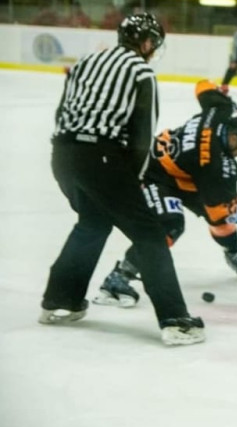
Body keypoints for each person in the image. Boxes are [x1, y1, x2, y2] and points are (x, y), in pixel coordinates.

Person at [41, 13, 204, 346]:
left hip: (63, 154)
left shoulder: (87, 60)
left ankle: (60, 301)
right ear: (146, 42)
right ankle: (175, 319)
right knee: (149, 233)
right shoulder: (141, 71)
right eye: (153, 43)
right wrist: (135, 178)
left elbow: (62, 112)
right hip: (103, 158)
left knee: (92, 223)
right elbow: (142, 137)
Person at [96, 80, 237, 307]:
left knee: (219, 217)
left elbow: (203, 87)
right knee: (170, 226)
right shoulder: (217, 167)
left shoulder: (223, 112)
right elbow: (220, 213)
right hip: (156, 173)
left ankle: (232, 252)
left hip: (187, 173)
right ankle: (118, 278)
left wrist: (227, 101)